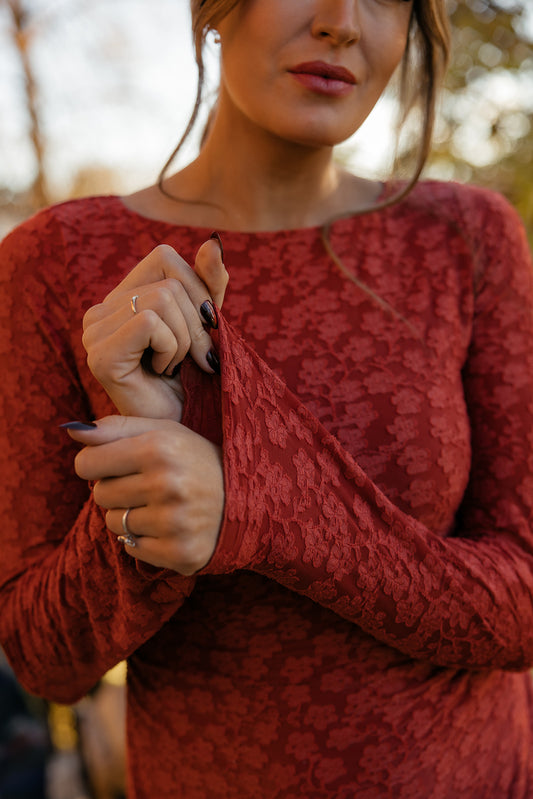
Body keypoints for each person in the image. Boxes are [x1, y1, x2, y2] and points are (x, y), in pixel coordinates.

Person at [1, 0, 533, 796]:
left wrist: (256, 504)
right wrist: (144, 505)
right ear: (214, 8)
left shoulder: (463, 238)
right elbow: (46, 662)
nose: (343, 23)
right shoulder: (54, 263)